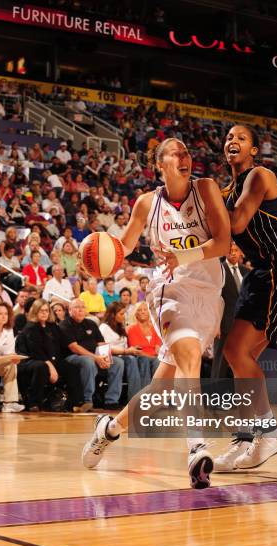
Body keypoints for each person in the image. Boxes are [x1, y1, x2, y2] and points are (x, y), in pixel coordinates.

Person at [82, 137, 230, 489]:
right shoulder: (147, 204)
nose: (185, 156)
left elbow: (222, 243)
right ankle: (196, 447)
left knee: (161, 390)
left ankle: (110, 428)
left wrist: (185, 256)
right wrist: (100, 254)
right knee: (190, 359)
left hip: (209, 294)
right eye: (176, 152)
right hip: (169, 291)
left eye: (187, 151)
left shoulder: (205, 189)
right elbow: (124, 246)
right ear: (159, 164)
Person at [214, 124, 277, 472]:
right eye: (229, 137)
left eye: (241, 138)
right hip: (262, 271)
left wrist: (202, 201)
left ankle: (270, 431)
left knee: (236, 352)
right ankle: (244, 438)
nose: (233, 141)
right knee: (239, 360)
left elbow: (237, 223)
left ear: (254, 150)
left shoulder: (259, 175)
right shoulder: (227, 191)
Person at [15, 299, 83, 412]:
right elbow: (36, 351)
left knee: (71, 368)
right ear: (35, 312)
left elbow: (61, 344)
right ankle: (34, 403)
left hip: (50, 360)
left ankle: (74, 403)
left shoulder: (53, 327)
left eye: (46, 311)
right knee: (41, 367)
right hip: (31, 361)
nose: (44, 313)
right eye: (41, 311)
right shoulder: (30, 328)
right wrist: (50, 366)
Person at [60, 299, 125, 411]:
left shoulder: (91, 323)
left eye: (83, 307)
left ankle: (111, 401)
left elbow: (101, 344)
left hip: (95, 356)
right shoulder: (65, 324)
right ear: (70, 310)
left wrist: (105, 358)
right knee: (88, 361)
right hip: (72, 358)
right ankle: (87, 400)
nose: (81, 309)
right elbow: (74, 347)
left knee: (118, 362)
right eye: (77, 307)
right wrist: (96, 358)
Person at [211, 242, 248, 379]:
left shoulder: (246, 272)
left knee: (239, 362)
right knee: (220, 362)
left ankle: (236, 396)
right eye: (230, 250)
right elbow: (215, 299)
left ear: (240, 253)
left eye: (236, 250)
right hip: (224, 325)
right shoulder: (219, 271)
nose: (233, 253)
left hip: (243, 327)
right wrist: (216, 325)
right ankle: (215, 396)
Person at [99, 302, 146, 401]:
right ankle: (113, 399)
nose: (123, 316)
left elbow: (126, 346)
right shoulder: (104, 327)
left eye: (124, 313)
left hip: (123, 354)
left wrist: (132, 350)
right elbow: (104, 348)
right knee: (125, 360)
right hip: (109, 356)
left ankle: (139, 396)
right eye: (121, 314)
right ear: (112, 315)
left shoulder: (121, 327)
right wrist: (126, 351)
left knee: (139, 359)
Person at [127, 301, 161, 384]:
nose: (142, 312)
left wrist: (157, 355)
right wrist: (153, 357)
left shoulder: (155, 328)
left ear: (149, 312)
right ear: (135, 313)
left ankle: (160, 391)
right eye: (139, 310)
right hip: (140, 358)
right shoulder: (132, 329)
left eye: (145, 309)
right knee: (146, 360)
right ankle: (146, 393)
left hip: (155, 357)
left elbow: (158, 348)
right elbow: (137, 351)